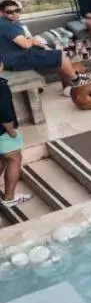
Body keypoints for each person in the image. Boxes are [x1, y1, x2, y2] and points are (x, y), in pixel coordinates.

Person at [0, 0, 91, 93]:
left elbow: (25, 39)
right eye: (10, 12)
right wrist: (32, 41)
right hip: (18, 60)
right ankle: (76, 80)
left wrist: (41, 45)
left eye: (17, 11)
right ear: (1, 13)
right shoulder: (6, 25)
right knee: (60, 55)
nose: (14, 14)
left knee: (56, 55)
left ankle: (70, 85)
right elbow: (25, 44)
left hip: (17, 57)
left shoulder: (12, 22)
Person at [0, 78, 31, 211]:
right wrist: (12, 132)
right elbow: (5, 114)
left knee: (2, 159)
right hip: (2, 132)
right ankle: (9, 198)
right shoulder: (1, 87)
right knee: (14, 158)